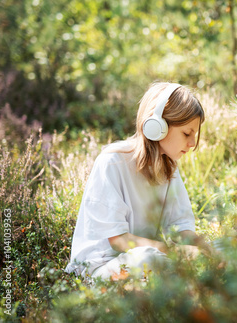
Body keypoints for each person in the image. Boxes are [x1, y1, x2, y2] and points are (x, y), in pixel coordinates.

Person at [65, 82, 214, 280]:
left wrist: (209, 250)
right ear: (157, 126)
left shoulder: (168, 168)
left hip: (143, 258)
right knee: (148, 259)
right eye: (187, 133)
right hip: (99, 266)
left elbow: (180, 229)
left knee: (225, 246)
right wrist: (175, 253)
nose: (192, 143)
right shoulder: (111, 163)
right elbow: (118, 240)